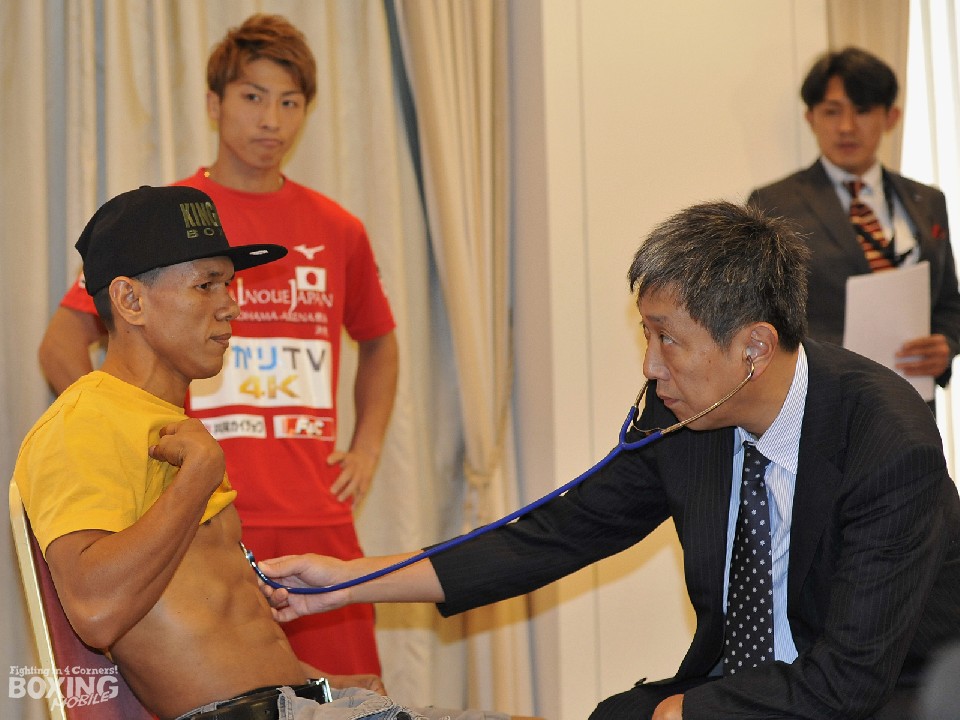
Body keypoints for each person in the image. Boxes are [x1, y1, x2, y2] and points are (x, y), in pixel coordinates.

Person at [256, 200, 960, 720]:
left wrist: (687, 713)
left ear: (754, 347)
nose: (650, 367)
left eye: (666, 339)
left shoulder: (886, 442)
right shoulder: (682, 413)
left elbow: (851, 679)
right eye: (646, 336)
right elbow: (553, 534)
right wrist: (351, 581)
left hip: (891, 695)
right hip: (743, 684)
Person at [14, 185, 509, 720]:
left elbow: (212, 629)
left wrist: (321, 686)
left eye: (228, 284)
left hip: (298, 703)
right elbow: (95, 610)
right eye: (206, 285)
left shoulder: (168, 423)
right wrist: (198, 476)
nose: (232, 305)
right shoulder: (85, 421)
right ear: (131, 301)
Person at [36, 13, 398, 676]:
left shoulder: (338, 227)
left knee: (350, 697)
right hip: (201, 510)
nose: (271, 120)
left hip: (314, 512)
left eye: (290, 102)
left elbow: (379, 340)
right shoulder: (170, 222)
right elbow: (63, 342)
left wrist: (368, 446)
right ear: (214, 103)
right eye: (253, 97)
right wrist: (126, 439)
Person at [747, 46, 960, 407]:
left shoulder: (928, 201)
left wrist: (946, 344)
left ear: (891, 117)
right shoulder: (774, 204)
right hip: (821, 402)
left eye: (862, 110)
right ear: (811, 118)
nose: (846, 127)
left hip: (912, 400)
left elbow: (948, 303)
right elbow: (756, 311)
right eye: (832, 111)